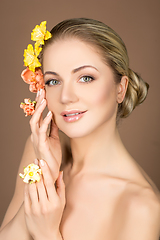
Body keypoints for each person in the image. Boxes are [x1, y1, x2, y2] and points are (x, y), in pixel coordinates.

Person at [0, 18, 160, 240]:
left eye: (85, 78)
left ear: (120, 89)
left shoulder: (141, 208)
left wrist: (46, 234)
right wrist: (45, 173)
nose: (66, 97)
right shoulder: (37, 152)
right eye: (53, 81)